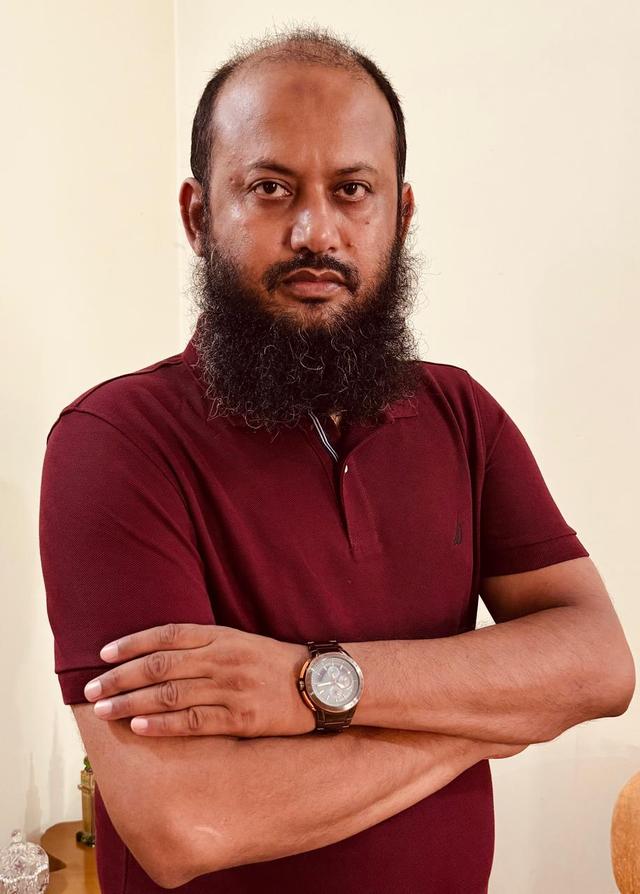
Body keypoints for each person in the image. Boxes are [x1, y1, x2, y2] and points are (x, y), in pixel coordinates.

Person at [38, 25, 635, 894]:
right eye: (270, 188)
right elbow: (189, 822)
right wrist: (489, 712)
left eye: (352, 190)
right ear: (199, 217)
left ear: (401, 214)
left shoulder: (461, 413)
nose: (315, 231)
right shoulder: (114, 441)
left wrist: (305, 684)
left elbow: (601, 664)